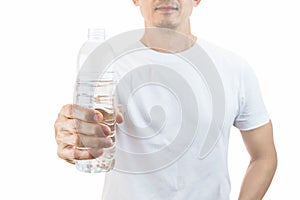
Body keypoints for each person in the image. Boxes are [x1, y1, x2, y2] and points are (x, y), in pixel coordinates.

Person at [54, 0, 277, 199]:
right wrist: (71, 134)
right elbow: (82, 129)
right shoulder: (108, 66)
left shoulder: (233, 68)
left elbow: (264, 156)